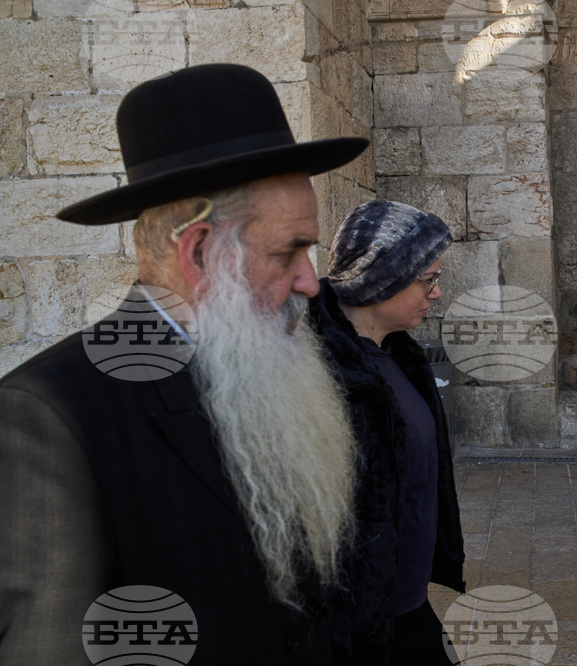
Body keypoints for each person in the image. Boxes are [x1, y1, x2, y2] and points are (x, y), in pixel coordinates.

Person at [0, 64, 368, 664]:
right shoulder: (48, 417)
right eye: (289, 252)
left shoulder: (265, 369)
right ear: (199, 252)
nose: (309, 281)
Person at [309, 200, 465, 665]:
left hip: (407, 601)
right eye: (427, 280)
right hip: (367, 619)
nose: (436, 292)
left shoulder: (400, 354)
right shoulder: (330, 374)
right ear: (382, 281)